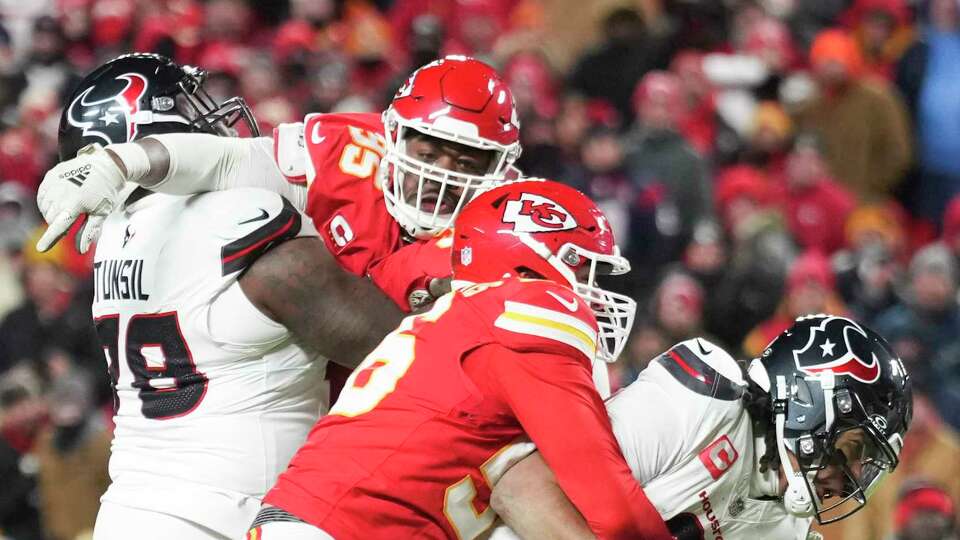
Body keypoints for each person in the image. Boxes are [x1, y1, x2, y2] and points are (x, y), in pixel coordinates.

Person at [53, 54, 404, 540]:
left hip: (132, 508)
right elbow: (399, 351)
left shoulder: (115, 232)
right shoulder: (239, 215)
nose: (206, 118)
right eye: (184, 106)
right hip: (229, 513)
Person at [245, 180, 672, 540]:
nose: (590, 294)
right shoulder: (528, 308)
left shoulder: (459, 322)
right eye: (583, 273)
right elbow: (611, 505)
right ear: (529, 266)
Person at [490, 314, 912, 540]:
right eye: (855, 448)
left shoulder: (787, 529)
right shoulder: (706, 401)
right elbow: (523, 492)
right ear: (809, 404)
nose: (852, 478)